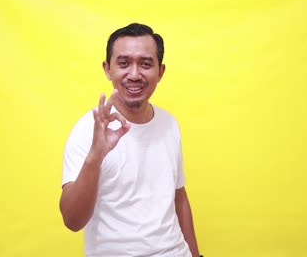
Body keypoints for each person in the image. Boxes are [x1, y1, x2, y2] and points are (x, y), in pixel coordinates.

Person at [59, 23, 201, 257]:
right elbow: (72, 221)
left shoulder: (169, 124)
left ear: (161, 71)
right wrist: (95, 158)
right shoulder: (88, 129)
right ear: (107, 69)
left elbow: (179, 197)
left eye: (145, 64)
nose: (134, 75)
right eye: (123, 63)